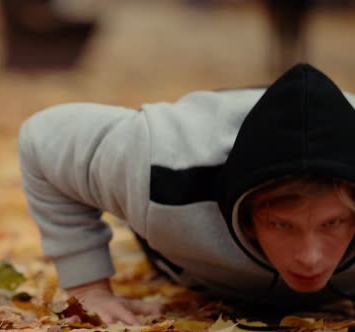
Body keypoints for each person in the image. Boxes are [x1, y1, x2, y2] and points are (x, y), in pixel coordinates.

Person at [18, 63, 355, 325]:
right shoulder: (162, 165)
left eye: (333, 223)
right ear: (248, 215)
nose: (310, 257)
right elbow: (42, 137)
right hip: (185, 248)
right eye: (283, 225)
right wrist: (87, 287)